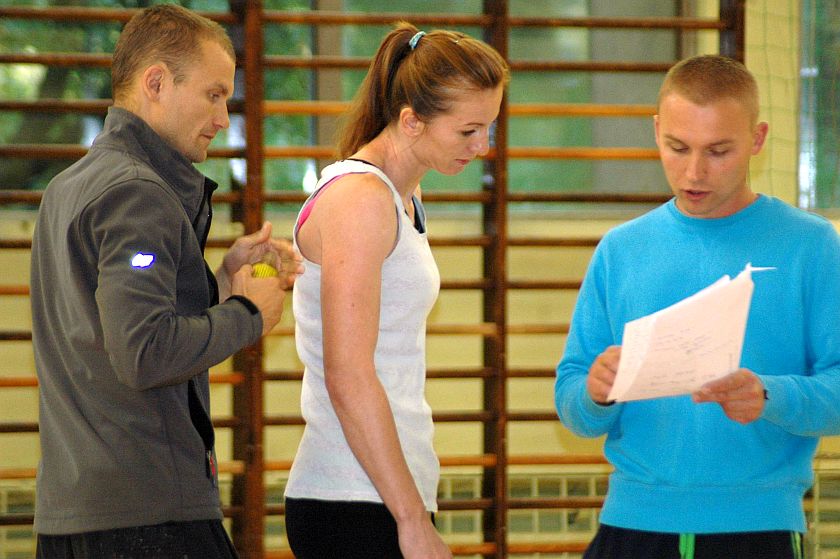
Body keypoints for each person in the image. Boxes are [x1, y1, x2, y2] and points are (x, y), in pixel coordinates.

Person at [29, 5, 300, 558]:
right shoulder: (138, 193)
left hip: (74, 516)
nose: (224, 117)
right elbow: (144, 352)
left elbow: (109, 331)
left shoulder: (69, 186)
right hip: (147, 519)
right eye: (213, 95)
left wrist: (221, 285)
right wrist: (247, 314)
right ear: (156, 83)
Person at [555, 54, 840, 559]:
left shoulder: (811, 246)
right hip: (631, 526)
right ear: (656, 131)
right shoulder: (621, 249)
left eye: (718, 151)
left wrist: (771, 395)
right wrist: (597, 393)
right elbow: (573, 402)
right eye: (677, 147)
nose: (694, 171)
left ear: (757, 139)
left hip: (759, 530)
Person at [282, 22, 508, 559]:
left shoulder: (404, 193)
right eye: (468, 131)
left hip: (383, 490)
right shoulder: (360, 199)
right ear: (411, 121)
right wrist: (409, 518)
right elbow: (348, 375)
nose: (482, 147)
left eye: (489, 128)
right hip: (351, 497)